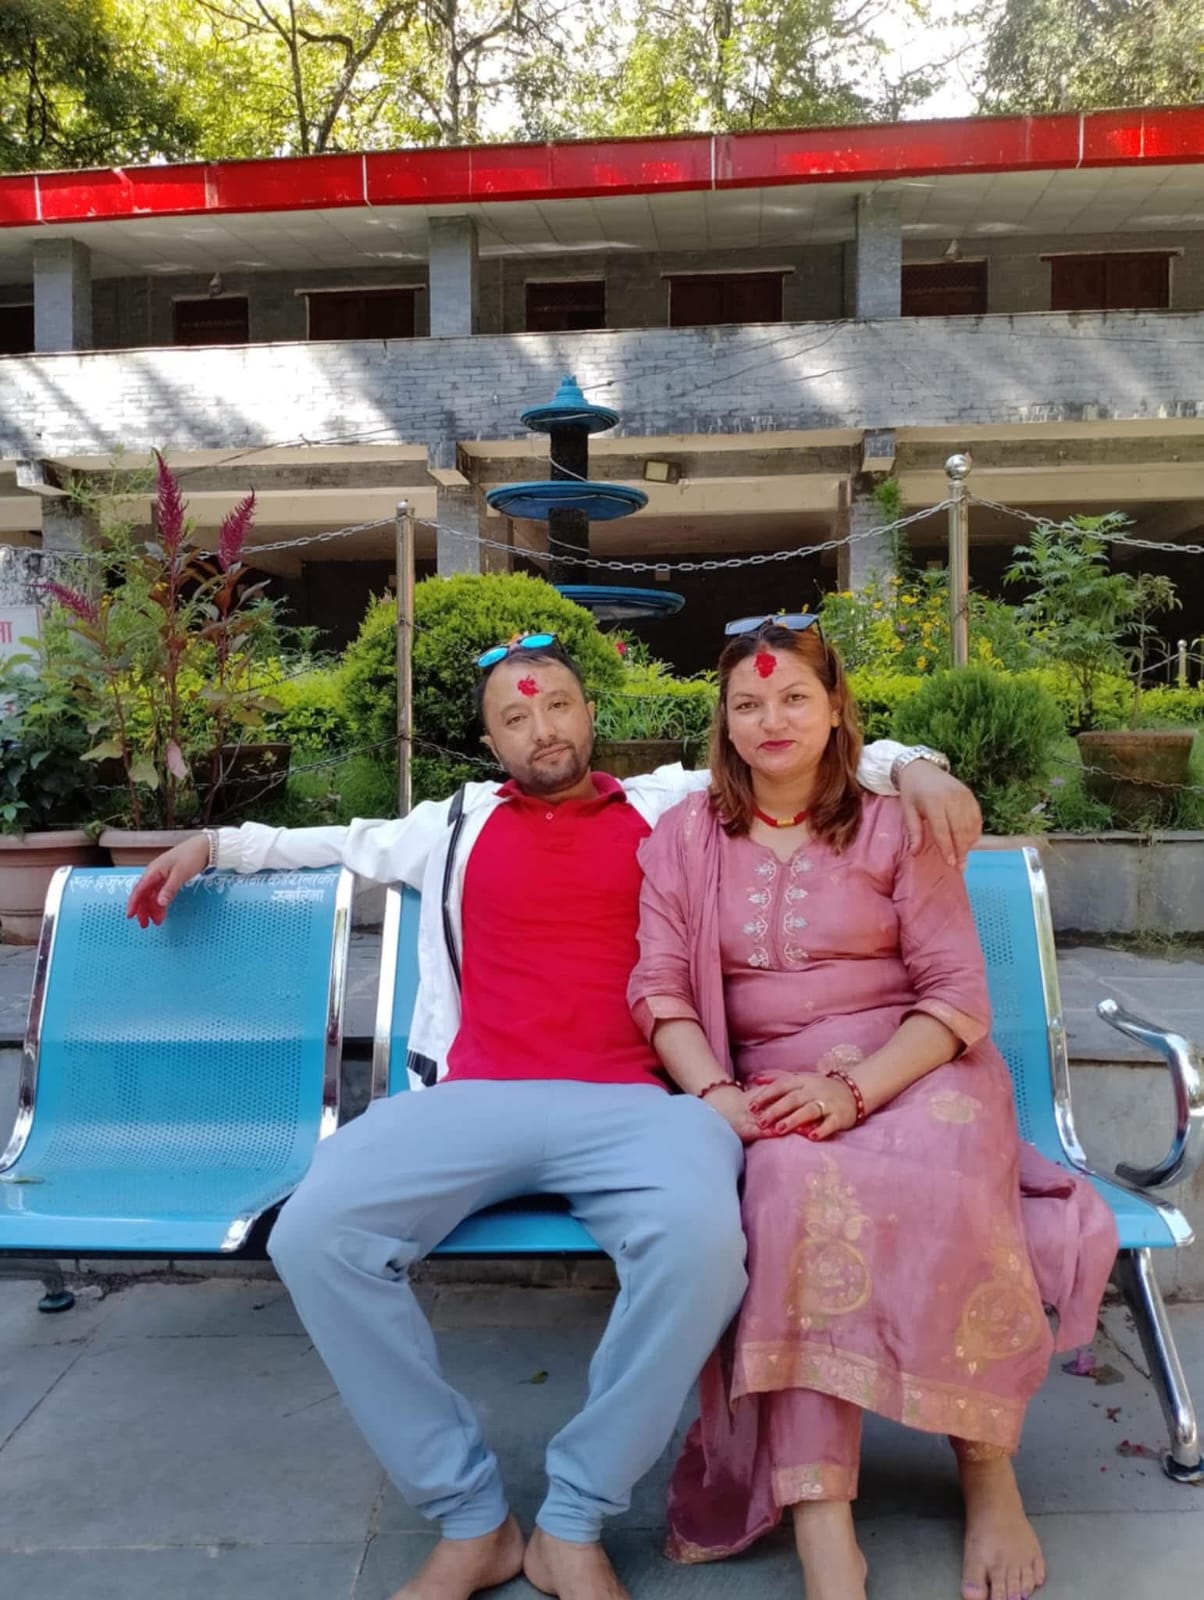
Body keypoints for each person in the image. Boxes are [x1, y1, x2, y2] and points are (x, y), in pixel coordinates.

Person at [127, 632, 981, 1600]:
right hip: (473, 1099)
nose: (543, 727)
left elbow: (793, 742)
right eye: (516, 716)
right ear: (490, 741)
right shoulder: (451, 824)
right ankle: (470, 1520)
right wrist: (211, 845)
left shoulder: (670, 804)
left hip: (638, 1106)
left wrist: (915, 765)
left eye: (558, 704)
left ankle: (573, 1520)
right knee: (315, 1233)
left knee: (703, 1251)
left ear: (589, 712)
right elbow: (326, 842)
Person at [627, 617, 1117, 1600]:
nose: (772, 719)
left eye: (794, 697)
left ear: (836, 708)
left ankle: (986, 1472)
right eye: (748, 703)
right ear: (723, 722)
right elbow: (661, 990)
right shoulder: (683, 836)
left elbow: (956, 996)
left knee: (946, 1170)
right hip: (770, 1088)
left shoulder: (896, 823)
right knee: (784, 1184)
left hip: (917, 1072)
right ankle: (824, 1530)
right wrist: (716, 1095)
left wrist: (852, 1089)